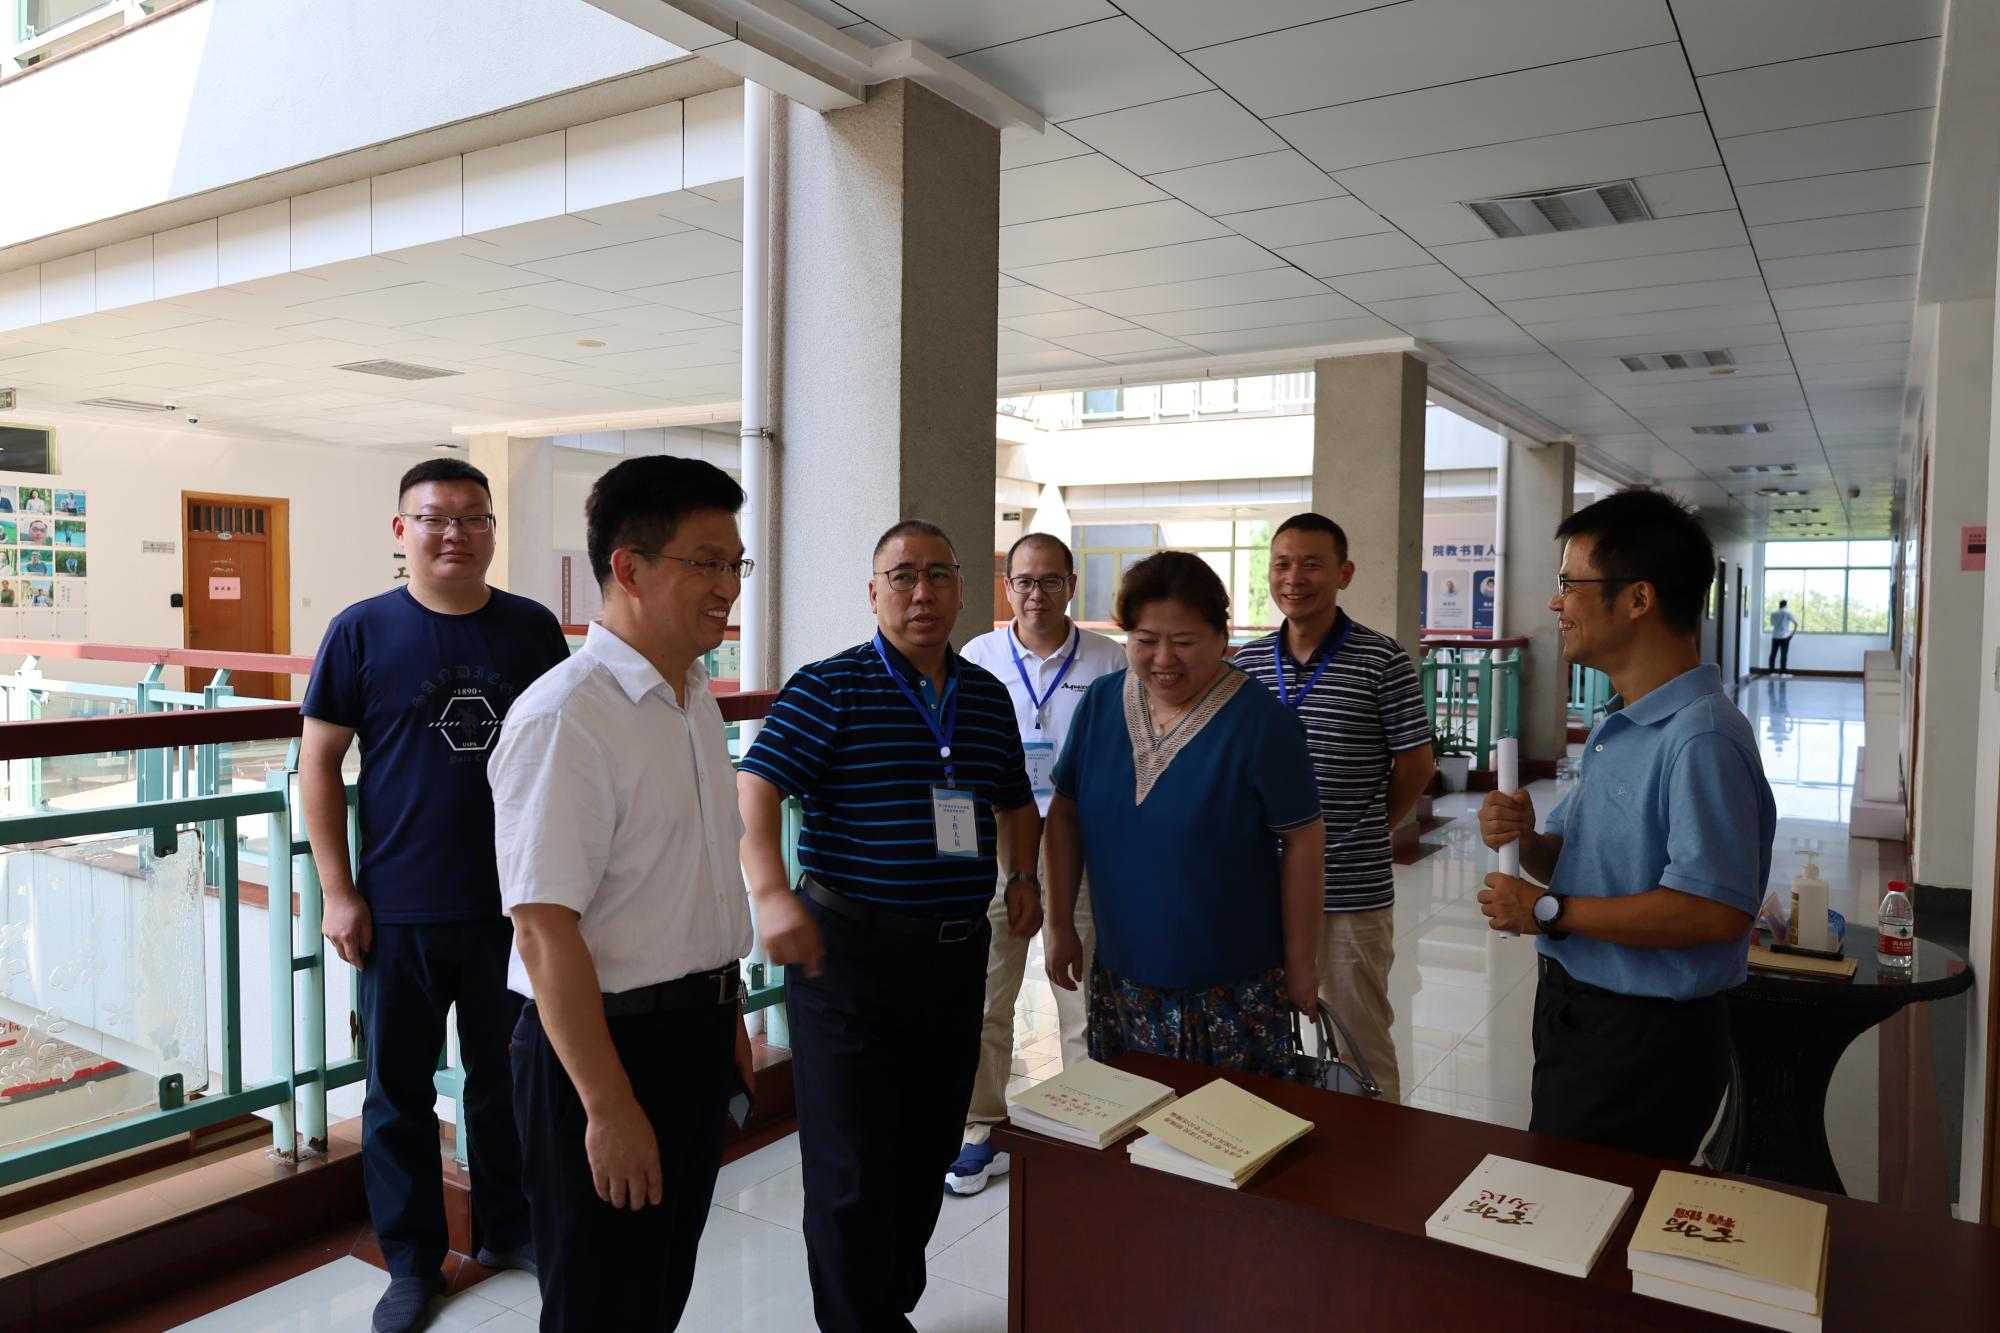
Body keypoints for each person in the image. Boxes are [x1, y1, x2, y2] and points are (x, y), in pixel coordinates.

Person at [738, 520, 1040, 1333]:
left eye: (938, 574)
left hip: (953, 956)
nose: (921, 591)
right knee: (849, 1161)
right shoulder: (829, 686)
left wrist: (1022, 874)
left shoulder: (984, 697)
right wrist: (771, 892)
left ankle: (883, 1302)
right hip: (846, 955)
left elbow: (1015, 800)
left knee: (927, 1143)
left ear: (963, 590)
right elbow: (757, 786)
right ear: (874, 592)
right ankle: (860, 1321)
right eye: (902, 576)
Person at [300, 459, 568, 1333]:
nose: (454, 532)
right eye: (434, 517)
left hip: (514, 905)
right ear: (401, 530)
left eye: (472, 517)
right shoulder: (361, 630)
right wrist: (337, 891)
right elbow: (317, 764)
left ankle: (507, 1228)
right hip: (398, 907)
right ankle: (412, 1263)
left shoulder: (531, 628)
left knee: (507, 1080)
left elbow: (563, 753)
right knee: (397, 1094)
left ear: (492, 528)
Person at [489, 456, 756, 1330]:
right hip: (604, 1050)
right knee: (600, 1303)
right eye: (706, 562)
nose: (728, 587)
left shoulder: (693, 697)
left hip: (693, 1035)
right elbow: (543, 930)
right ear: (630, 568)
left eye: (736, 564)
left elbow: (693, 877)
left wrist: (725, 1013)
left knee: (657, 1286)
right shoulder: (565, 715)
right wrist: (606, 1104)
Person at [1477, 488, 1775, 1161]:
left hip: (1643, 1038)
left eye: (1570, 585)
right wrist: (1527, 840)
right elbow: (1579, 864)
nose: (1555, 603)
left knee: (1592, 1207)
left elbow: (1714, 912)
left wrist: (1548, 910)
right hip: (1582, 1012)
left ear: (1639, 598)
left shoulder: (1701, 738)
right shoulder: (1623, 721)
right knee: (1567, 1198)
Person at [1044, 552, 1324, 1078]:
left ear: (1222, 638)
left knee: (1227, 1122)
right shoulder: (1102, 702)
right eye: (1145, 639)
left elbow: (1304, 841)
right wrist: (1058, 924)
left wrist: (1302, 961)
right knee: (1132, 1114)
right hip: (1122, 974)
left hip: (1231, 985)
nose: (1163, 659)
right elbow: (1064, 814)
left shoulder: (1262, 724)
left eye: (1185, 641)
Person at [946, 533, 1126, 1197]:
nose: (1036, 593)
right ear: (1007, 587)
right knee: (986, 992)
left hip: (1079, 840)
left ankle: (1087, 1124)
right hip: (1001, 840)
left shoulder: (1109, 659)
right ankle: (980, 1127)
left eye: (1050, 580)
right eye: (1024, 580)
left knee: (1081, 992)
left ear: (1072, 585)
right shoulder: (979, 656)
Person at [1234, 513, 1433, 1102]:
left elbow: (1415, 765)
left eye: (1311, 564)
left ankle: (1376, 1152)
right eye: (1282, 564)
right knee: (1258, 1035)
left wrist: (1366, 828)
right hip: (1257, 890)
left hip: (1349, 889)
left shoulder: (1382, 660)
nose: (1294, 578)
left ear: (1343, 573)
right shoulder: (1244, 665)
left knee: (1356, 1040)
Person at [1767, 599, 1798, 674]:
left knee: (1773, 654)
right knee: (1784, 654)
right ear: (1786, 605)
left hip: (1775, 636)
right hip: (1785, 636)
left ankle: (1771, 670)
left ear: (1779, 605)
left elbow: (1772, 624)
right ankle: (1782, 671)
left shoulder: (1773, 613)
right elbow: (1796, 624)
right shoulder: (1788, 613)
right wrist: (1792, 635)